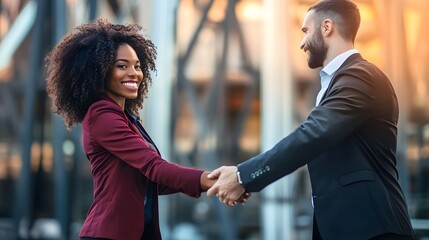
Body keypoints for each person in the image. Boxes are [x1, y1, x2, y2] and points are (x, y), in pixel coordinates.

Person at [207, 0, 416, 239]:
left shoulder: (361, 76)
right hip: (349, 228)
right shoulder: (339, 82)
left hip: (372, 229)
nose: (301, 43)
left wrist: (243, 176)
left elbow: (312, 135)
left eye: (305, 31)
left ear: (327, 27)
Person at [44, 18, 235, 240]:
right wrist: (213, 180)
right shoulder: (102, 115)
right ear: (99, 71)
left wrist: (211, 183)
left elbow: (149, 180)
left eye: (137, 66)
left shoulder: (126, 118)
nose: (134, 73)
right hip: (109, 234)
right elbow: (154, 167)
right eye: (121, 66)